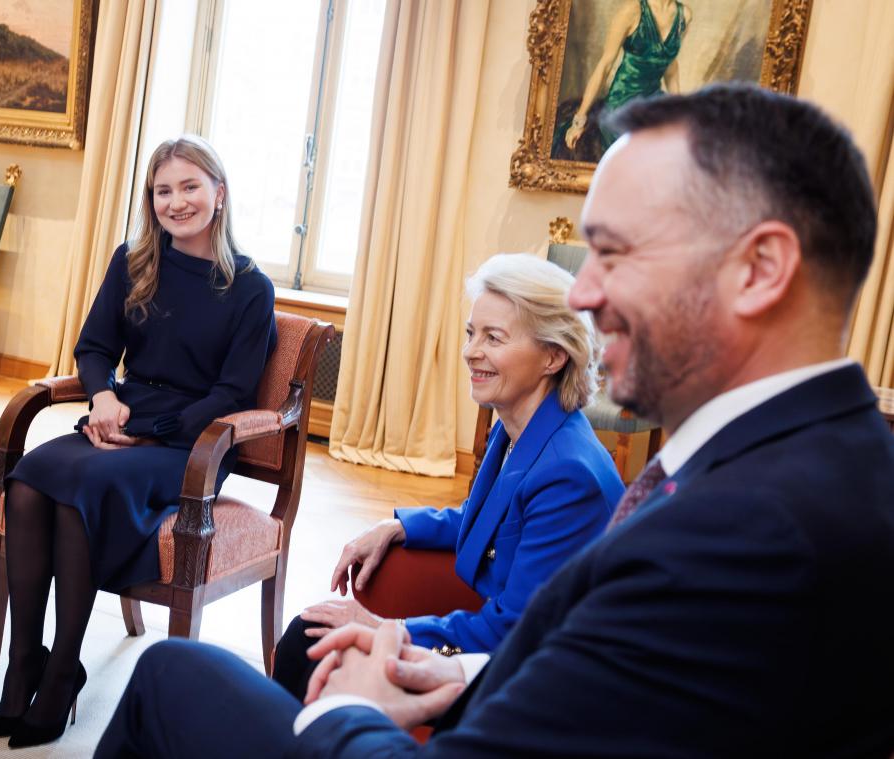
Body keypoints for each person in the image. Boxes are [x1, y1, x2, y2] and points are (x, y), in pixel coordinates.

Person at [94, 83, 894, 757]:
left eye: (615, 253)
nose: (582, 295)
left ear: (759, 268)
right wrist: (458, 669)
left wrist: (353, 709)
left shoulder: (747, 536)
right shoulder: (815, 457)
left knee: (169, 676)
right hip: (493, 682)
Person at [0, 135, 276, 748]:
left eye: (190, 187)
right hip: (121, 417)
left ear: (219, 195)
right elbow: (93, 348)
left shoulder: (249, 286)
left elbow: (233, 393)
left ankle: (63, 674)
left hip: (190, 442)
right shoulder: (133, 261)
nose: (177, 202)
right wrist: (104, 397)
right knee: (32, 476)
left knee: (82, 486)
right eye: (163, 191)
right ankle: (24, 666)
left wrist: (144, 430)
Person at [271, 253, 623, 700]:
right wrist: (397, 526)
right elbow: (493, 521)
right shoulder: (519, 428)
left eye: (494, 338)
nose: (472, 351)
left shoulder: (569, 475)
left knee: (311, 644)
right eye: (472, 333)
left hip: (527, 679)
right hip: (496, 635)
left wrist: (385, 629)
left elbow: (512, 631)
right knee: (309, 634)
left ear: (553, 356)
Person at [554, 0, 690, 160]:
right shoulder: (631, 11)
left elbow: (670, 65)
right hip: (623, 99)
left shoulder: (684, 15)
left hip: (654, 98)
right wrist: (579, 120)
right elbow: (604, 65)